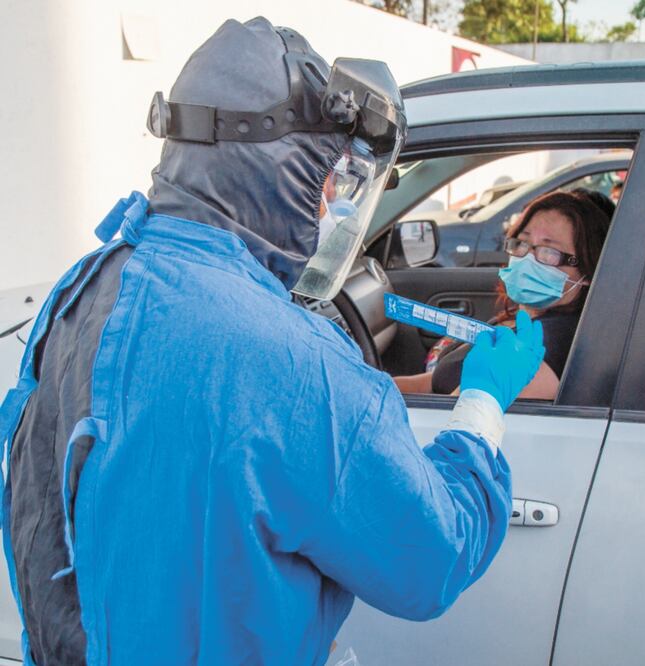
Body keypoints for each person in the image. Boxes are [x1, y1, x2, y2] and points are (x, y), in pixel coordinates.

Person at [0, 18, 545, 666]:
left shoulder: (79, 292)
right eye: (326, 179)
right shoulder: (297, 366)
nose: (331, 207)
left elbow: (40, 527)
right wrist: (481, 405)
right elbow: (431, 560)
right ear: (279, 172)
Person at [395, 190, 613, 400]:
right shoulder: (528, 322)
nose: (527, 258)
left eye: (549, 252)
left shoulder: (547, 345)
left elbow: (460, 412)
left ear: (588, 272)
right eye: (522, 243)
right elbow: (434, 383)